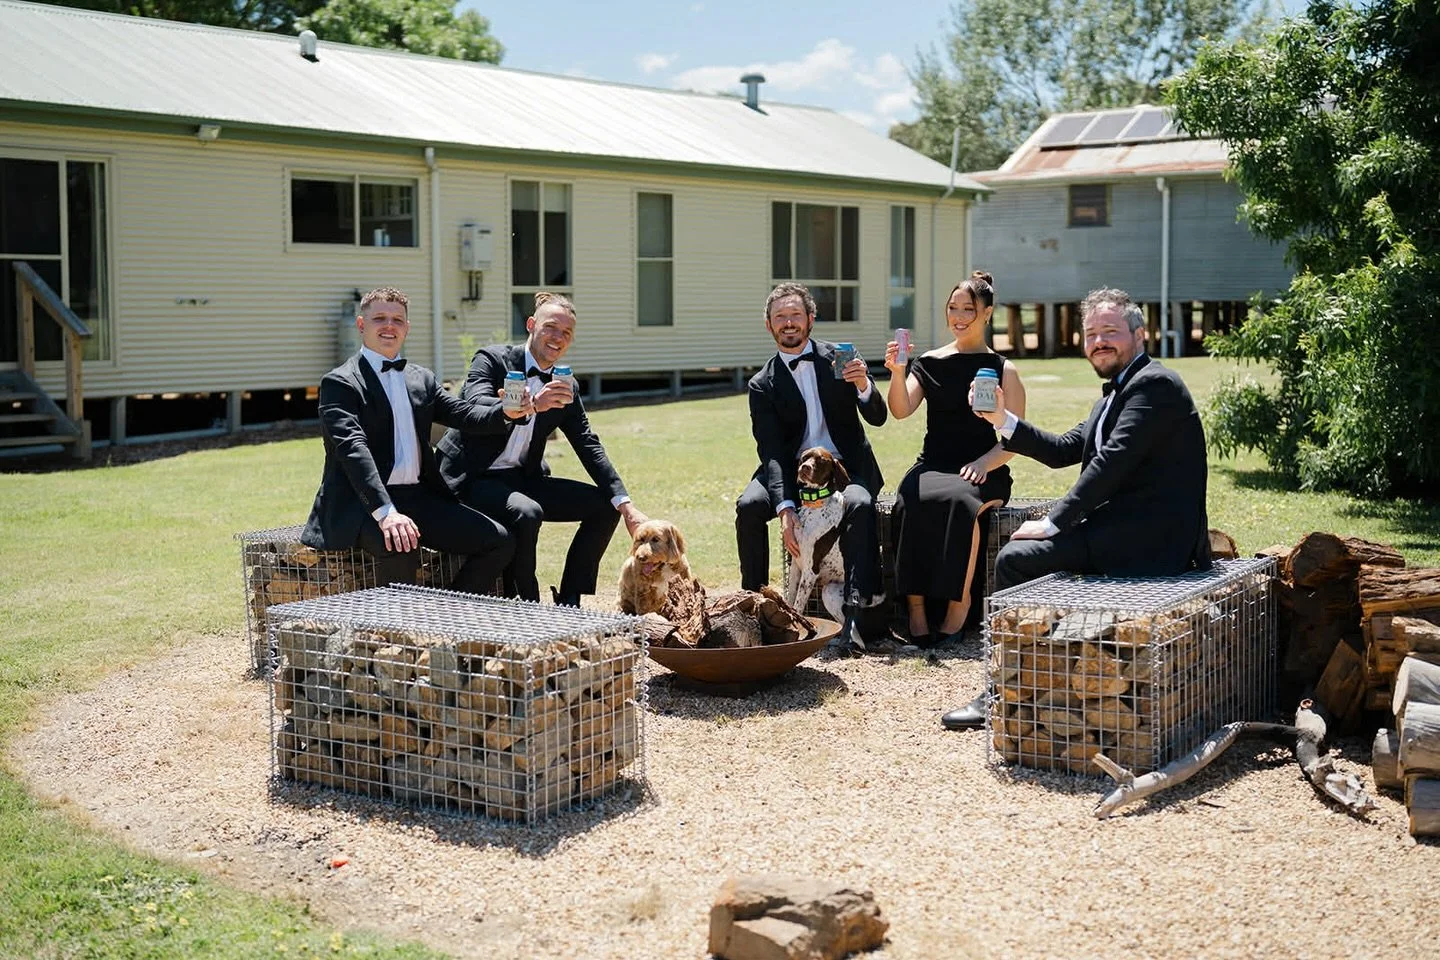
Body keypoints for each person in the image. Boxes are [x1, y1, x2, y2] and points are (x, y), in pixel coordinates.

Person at [940, 286, 1211, 730]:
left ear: (1140, 335)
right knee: (1025, 552)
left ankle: (1002, 688)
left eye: (1110, 331)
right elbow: (1065, 448)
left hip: (1150, 541)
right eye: (1091, 333)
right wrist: (1001, 420)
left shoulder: (1156, 386)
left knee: (1014, 559)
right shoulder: (1112, 396)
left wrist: (1052, 523)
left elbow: (1111, 464)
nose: (1099, 341)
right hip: (1117, 530)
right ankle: (1039, 675)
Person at [436, 292, 647, 607]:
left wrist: (626, 505)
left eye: (566, 333)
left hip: (522, 477)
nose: (558, 338)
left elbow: (587, 443)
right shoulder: (492, 360)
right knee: (527, 513)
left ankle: (570, 601)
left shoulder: (566, 386)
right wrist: (531, 405)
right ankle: (526, 602)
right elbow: (474, 404)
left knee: (604, 507)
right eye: (551, 327)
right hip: (472, 476)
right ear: (531, 325)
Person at [301, 286, 514, 593]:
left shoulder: (421, 378)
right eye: (380, 318)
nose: (390, 326)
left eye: (398, 320)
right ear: (361, 325)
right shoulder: (339, 383)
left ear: (407, 328)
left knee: (499, 540)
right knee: (402, 544)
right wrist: (386, 513)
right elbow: (353, 451)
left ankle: (451, 612)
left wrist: (508, 412)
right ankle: (395, 635)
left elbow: (465, 415)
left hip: (418, 496)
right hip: (363, 503)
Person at [736, 281, 889, 652]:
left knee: (860, 504)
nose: (788, 323)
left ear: (810, 319)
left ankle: (855, 614)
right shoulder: (762, 384)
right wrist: (785, 506)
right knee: (748, 508)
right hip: (792, 468)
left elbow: (879, 417)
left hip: (844, 466)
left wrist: (864, 385)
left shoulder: (838, 358)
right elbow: (771, 452)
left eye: (795, 315)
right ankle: (752, 611)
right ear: (769, 325)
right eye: (780, 317)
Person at [884, 271, 1026, 645]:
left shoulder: (1002, 369)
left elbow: (1015, 439)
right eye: (953, 308)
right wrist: (898, 373)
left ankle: (957, 611)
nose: (959, 316)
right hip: (933, 463)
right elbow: (900, 410)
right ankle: (915, 612)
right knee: (910, 498)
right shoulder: (929, 362)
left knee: (962, 503)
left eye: (968, 308)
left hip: (983, 467)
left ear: (987, 313)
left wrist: (983, 464)